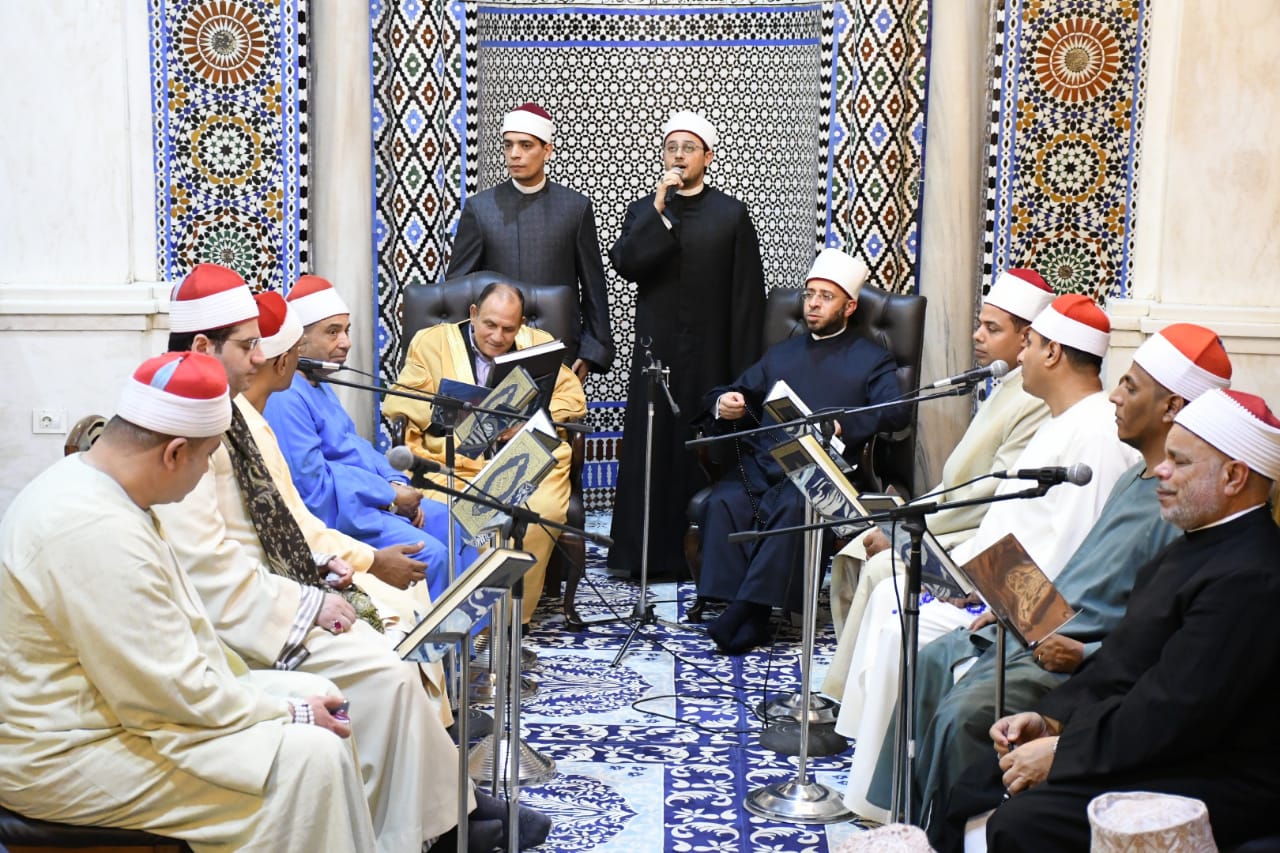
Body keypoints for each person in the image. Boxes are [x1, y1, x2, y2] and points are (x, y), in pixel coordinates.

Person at [151, 265, 549, 853]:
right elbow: (213, 566)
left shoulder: (238, 414)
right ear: (205, 347)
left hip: (289, 585)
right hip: (251, 619)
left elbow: (290, 520)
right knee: (391, 666)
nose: (262, 357)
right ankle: (433, 827)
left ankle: (449, 807)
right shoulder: (183, 422)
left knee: (400, 647)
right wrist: (318, 594)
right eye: (249, 345)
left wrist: (334, 567)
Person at [0, 350, 377, 851]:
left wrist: (285, 705)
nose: (205, 475)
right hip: (65, 751)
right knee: (308, 759)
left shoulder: (98, 486)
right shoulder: (92, 528)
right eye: (206, 459)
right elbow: (165, 694)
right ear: (174, 452)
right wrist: (290, 713)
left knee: (317, 690)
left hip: (112, 709)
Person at [868, 324, 1233, 840]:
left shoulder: (1181, 506)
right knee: (928, 660)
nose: (1115, 396)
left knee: (963, 715)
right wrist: (1014, 603)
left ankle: (938, 836)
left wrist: (1085, 652)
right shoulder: (1135, 477)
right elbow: (1087, 570)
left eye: (1130, 387)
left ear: (1172, 407)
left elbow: (1152, 625)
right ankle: (904, 823)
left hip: (1071, 652)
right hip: (1041, 623)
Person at [834, 293, 1143, 821]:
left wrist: (997, 603)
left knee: (899, 621)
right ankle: (883, 797)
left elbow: (1073, 555)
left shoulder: (1095, 435)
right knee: (895, 607)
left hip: (1029, 616)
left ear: (1053, 353)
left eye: (1032, 344)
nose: (1021, 355)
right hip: (999, 593)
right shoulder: (1063, 420)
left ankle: (899, 808)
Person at [950, 388, 1280, 853]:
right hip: (1157, 743)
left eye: (1180, 462)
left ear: (1234, 476)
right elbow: (1120, 666)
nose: (1160, 471)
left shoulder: (1252, 576)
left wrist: (1063, 754)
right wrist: (1051, 722)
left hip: (1219, 772)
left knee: (1023, 821)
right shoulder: (1192, 546)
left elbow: (1174, 708)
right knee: (978, 781)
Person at [822, 268, 1055, 698]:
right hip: (951, 521)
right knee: (854, 552)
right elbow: (957, 482)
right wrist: (902, 517)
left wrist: (909, 530)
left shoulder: (1033, 399)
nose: (977, 336)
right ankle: (854, 690)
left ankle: (856, 697)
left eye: (992, 328)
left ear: (1027, 339)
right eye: (979, 325)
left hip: (973, 536)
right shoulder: (1004, 383)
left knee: (881, 568)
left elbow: (991, 493)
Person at [695, 248, 909, 654]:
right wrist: (726, 402)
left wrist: (844, 424)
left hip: (824, 471)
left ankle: (749, 613)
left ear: (849, 306)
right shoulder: (782, 354)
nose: (813, 303)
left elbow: (896, 411)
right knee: (725, 500)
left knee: (800, 505)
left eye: (825, 297)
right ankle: (737, 605)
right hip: (766, 465)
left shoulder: (872, 359)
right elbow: (735, 390)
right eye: (809, 294)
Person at [607, 109, 766, 581]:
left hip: (711, 356)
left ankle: (705, 557)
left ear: (708, 157)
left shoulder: (731, 214)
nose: (678, 156)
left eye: (688, 148)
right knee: (653, 449)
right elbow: (627, 264)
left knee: (702, 451)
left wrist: (744, 374)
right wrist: (657, 210)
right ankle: (645, 557)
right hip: (656, 357)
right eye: (671, 148)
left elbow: (746, 299)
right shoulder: (646, 210)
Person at [382, 281, 587, 626]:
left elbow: (571, 397)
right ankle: (470, 620)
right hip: (453, 461)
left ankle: (510, 622)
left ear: (521, 324)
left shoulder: (537, 343)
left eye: (508, 328)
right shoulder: (432, 343)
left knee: (535, 512)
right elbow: (402, 399)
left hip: (520, 458)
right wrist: (456, 417)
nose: (497, 336)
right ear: (474, 314)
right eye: (489, 324)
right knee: (456, 516)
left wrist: (526, 421)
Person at [263, 275, 474, 603]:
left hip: (367, 501)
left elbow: (356, 447)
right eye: (332, 332)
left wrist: (395, 480)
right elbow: (313, 490)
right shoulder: (286, 397)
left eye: (347, 331)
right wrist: (388, 497)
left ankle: (473, 630)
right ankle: (436, 637)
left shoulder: (320, 383)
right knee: (430, 555)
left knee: (452, 522)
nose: (346, 343)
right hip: (344, 516)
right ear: (298, 343)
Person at [446, 102, 613, 380]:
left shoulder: (575, 207)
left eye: (525, 145)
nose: (514, 154)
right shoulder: (480, 208)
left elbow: (593, 289)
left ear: (547, 150)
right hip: (493, 352)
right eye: (508, 145)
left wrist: (591, 351)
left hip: (558, 348)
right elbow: (457, 288)